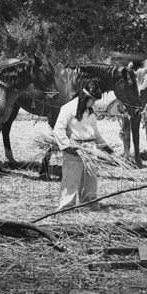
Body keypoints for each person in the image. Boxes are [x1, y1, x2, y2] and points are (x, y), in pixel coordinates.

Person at [53, 80, 114, 211]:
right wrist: (67, 146)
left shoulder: (89, 111)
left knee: (90, 178)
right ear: (84, 96)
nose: (93, 103)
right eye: (92, 100)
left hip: (90, 149)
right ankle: (66, 206)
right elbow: (58, 129)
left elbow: (95, 133)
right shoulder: (68, 108)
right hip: (74, 148)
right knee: (70, 179)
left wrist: (104, 146)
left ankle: (89, 204)